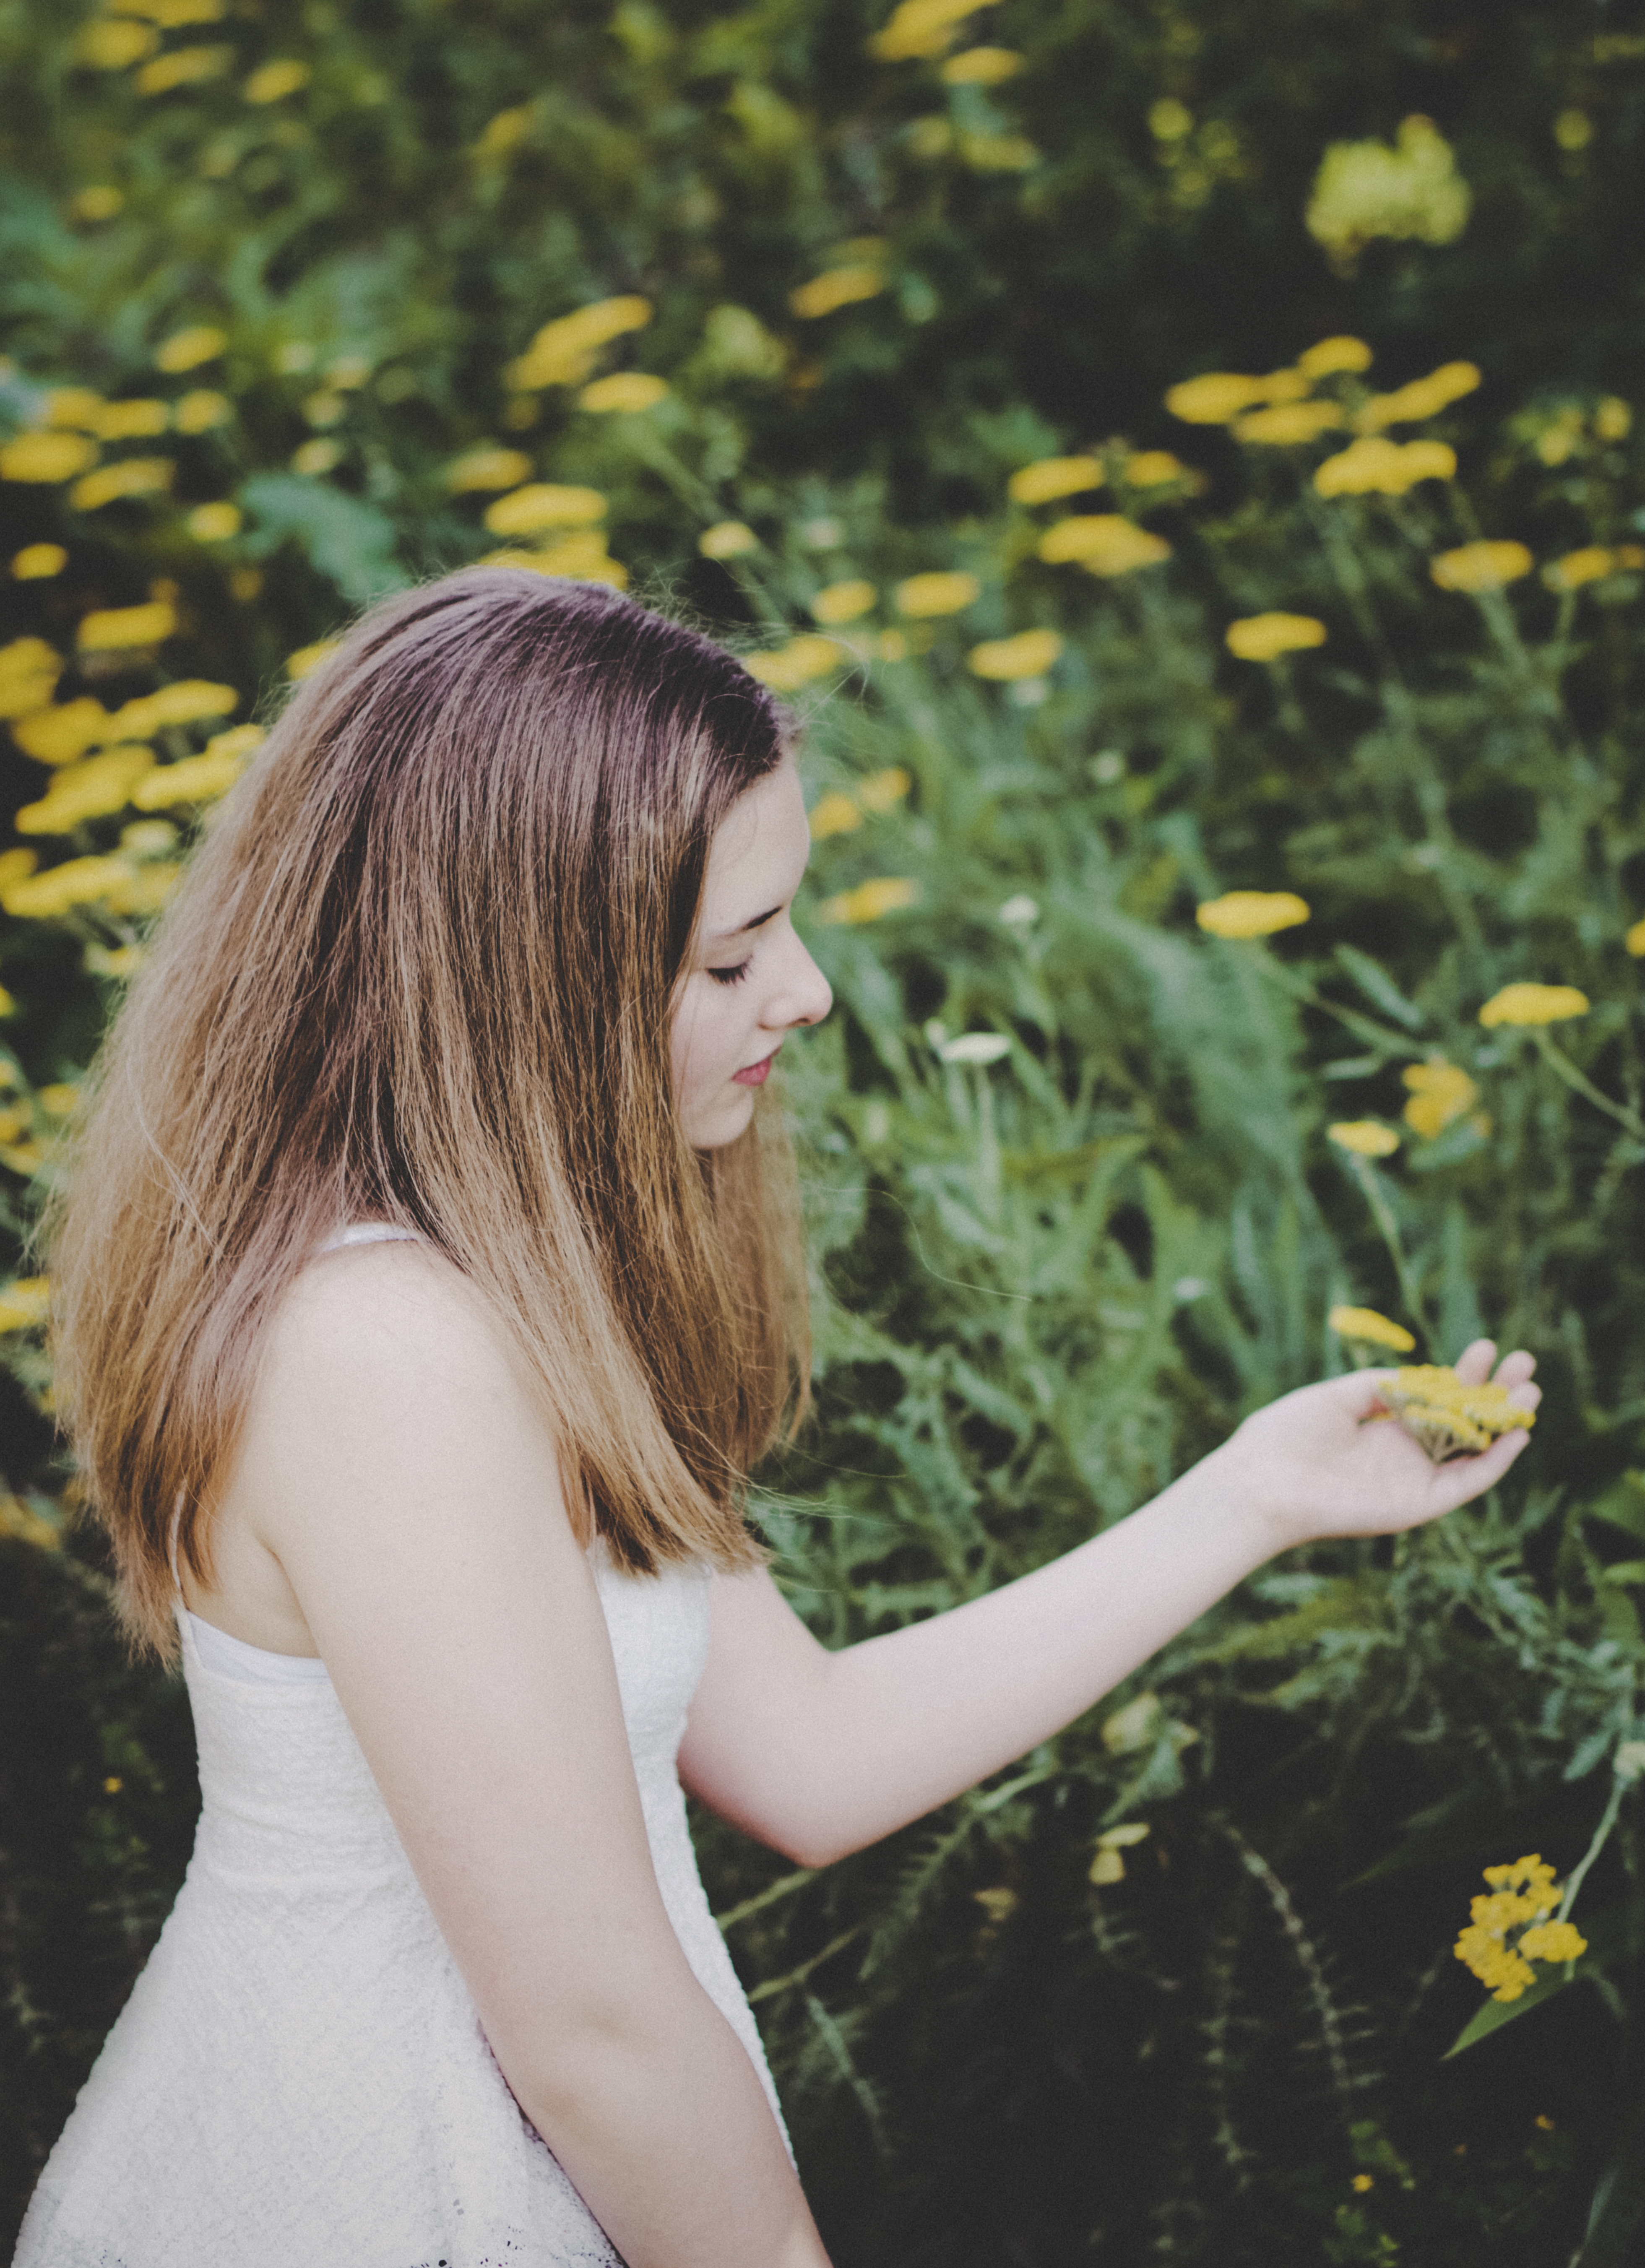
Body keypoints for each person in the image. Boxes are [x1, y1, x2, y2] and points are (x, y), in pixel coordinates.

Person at [14, 570, 1537, 2268]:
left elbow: (802, 1752)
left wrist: (1255, 1495)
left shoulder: (501, 1295)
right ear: (525, 987)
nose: (804, 993)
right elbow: (591, 2027)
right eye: (733, 953)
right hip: (392, 2192)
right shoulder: (384, 1352)